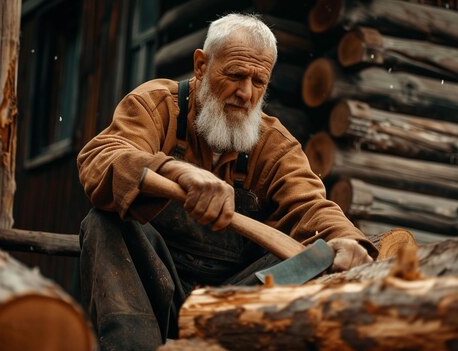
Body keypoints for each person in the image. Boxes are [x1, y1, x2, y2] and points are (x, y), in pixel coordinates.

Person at [77, 13, 378, 351]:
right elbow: (100, 158)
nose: (245, 93)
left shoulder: (275, 144)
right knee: (104, 222)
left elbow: (310, 206)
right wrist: (179, 172)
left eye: (258, 81)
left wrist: (347, 240)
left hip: (234, 297)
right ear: (202, 65)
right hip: (150, 286)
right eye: (235, 75)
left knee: (312, 259)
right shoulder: (157, 105)